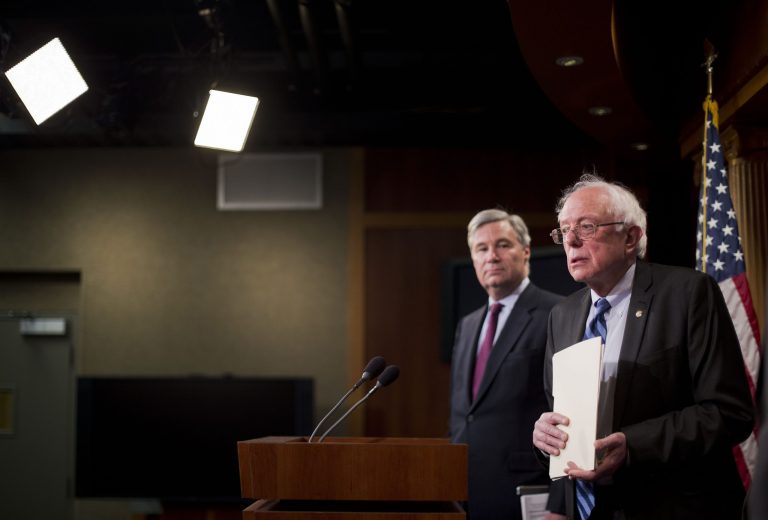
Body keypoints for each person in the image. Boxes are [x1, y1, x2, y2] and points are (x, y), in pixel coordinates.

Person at [532, 174, 754, 520]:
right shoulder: (561, 316)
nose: (571, 241)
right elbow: (564, 422)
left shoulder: (687, 294)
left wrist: (632, 446)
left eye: (587, 227)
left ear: (631, 237)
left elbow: (728, 413)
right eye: (563, 231)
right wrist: (548, 452)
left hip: (672, 505)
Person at [450, 209, 563, 520]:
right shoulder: (468, 324)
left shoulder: (558, 313)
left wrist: (561, 501)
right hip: (466, 493)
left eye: (503, 245)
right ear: (473, 258)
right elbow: (465, 415)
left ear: (525, 252)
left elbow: (569, 414)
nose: (492, 256)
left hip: (526, 491)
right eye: (481, 249)